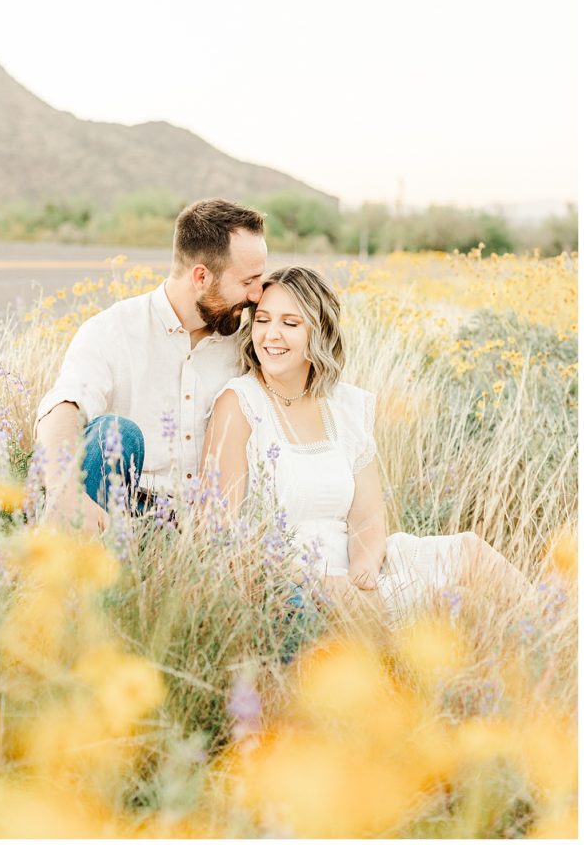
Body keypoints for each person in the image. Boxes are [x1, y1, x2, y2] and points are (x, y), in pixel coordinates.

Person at [201, 265, 534, 622]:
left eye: (290, 323)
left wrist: (363, 574)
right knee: (460, 604)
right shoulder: (239, 404)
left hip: (357, 568)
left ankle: (564, 636)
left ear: (319, 332)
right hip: (296, 582)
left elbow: (368, 518)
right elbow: (219, 533)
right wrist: (325, 585)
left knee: (471, 552)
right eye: (263, 320)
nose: (271, 335)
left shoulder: (346, 406)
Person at [35, 198, 267, 535]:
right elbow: (62, 408)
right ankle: (65, 565)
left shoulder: (248, 341)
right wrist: (65, 490)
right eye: (248, 282)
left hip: (205, 525)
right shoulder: (113, 330)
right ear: (201, 276)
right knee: (114, 433)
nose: (257, 294)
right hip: (118, 509)